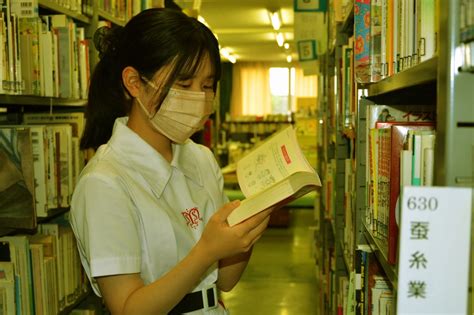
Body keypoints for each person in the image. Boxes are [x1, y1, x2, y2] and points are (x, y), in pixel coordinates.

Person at [70, 8, 274, 315]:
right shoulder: (104, 182)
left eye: (207, 86)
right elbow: (127, 308)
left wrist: (250, 226)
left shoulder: (201, 159)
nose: (199, 98)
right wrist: (206, 251)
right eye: (184, 83)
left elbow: (226, 280)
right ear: (135, 82)